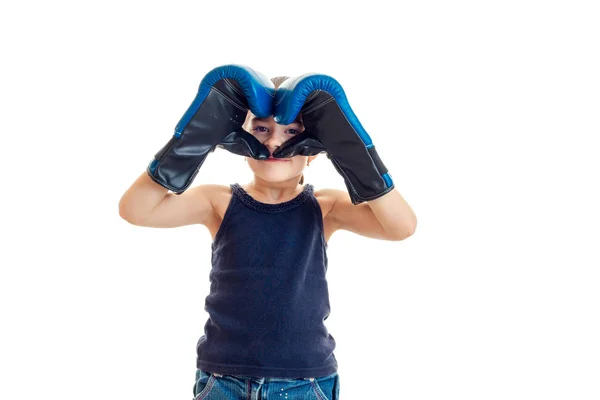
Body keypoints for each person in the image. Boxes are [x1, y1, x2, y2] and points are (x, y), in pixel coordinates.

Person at [118, 65, 417, 400]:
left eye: (291, 132)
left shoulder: (325, 206)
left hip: (304, 380)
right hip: (224, 375)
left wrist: (355, 156)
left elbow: (401, 226)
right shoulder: (218, 200)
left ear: (315, 147)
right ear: (237, 139)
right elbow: (136, 209)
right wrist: (194, 140)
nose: (274, 141)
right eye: (260, 129)